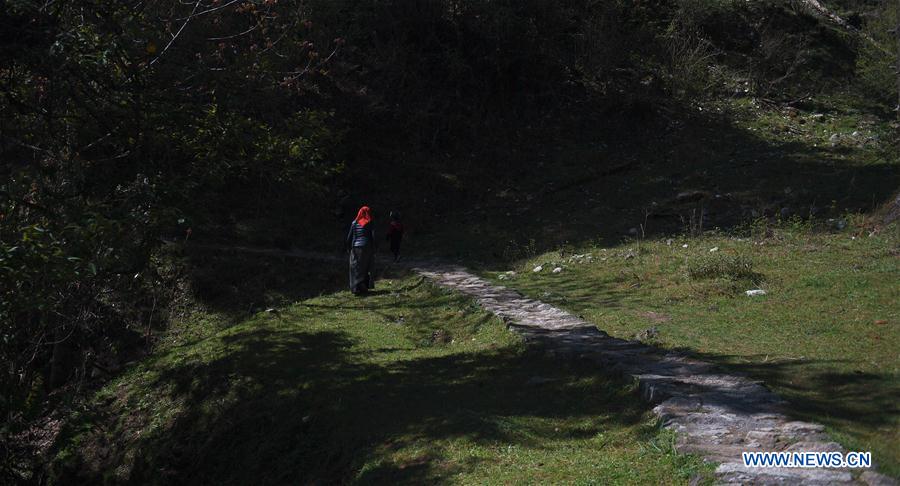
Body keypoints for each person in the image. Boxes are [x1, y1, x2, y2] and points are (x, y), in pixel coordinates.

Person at [347, 206, 375, 295]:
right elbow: (372, 236)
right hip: (367, 247)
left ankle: (356, 288)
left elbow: (349, 237)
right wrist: (374, 247)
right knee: (366, 268)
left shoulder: (354, 223)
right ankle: (364, 287)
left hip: (355, 248)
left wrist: (348, 248)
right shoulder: (369, 223)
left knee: (355, 268)